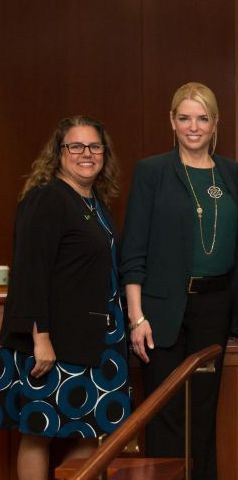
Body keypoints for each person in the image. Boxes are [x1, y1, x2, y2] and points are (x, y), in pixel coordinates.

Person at [120, 82, 238, 480]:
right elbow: (134, 250)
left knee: (204, 413)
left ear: (215, 123)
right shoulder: (152, 171)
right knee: (166, 412)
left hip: (214, 308)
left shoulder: (233, 173)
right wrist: (137, 318)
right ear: (172, 122)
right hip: (161, 313)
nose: (194, 126)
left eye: (202, 118)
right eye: (185, 118)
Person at [0, 116, 129, 480]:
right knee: (38, 432)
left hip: (95, 342)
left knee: (90, 432)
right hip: (54, 341)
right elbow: (30, 273)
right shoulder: (47, 199)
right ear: (58, 153)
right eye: (76, 146)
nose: (86, 154)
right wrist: (40, 339)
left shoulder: (94, 203)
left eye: (94, 146)